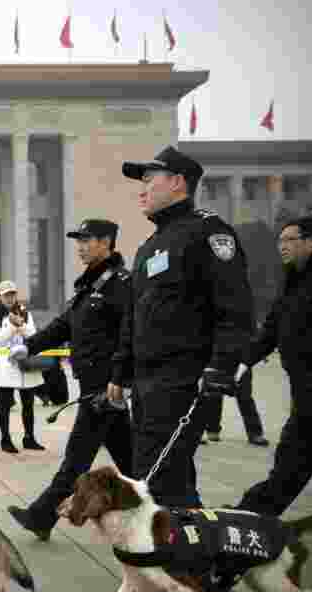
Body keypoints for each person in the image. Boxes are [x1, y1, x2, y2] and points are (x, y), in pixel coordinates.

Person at [110, 147, 254, 509]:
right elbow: (135, 315)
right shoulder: (150, 246)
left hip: (183, 380)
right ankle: (195, 539)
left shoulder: (207, 232)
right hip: (147, 384)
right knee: (170, 479)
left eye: (149, 179)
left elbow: (234, 305)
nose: (142, 189)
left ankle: (181, 543)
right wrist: (121, 372)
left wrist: (221, 366)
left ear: (177, 182)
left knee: (156, 481)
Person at [8, 219, 134, 541]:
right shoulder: (90, 285)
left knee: (75, 462)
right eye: (78, 240)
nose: (80, 247)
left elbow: (130, 334)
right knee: (132, 461)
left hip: (105, 389)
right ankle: (166, 506)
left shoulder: (121, 284)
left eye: (87, 240)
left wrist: (121, 379)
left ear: (106, 242)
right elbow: (63, 325)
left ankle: (41, 515)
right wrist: (28, 346)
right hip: (95, 387)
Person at [235, 217, 312, 516]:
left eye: (290, 239)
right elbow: (271, 331)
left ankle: (249, 518)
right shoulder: (293, 282)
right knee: (292, 465)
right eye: (280, 241)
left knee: (290, 464)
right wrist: (242, 362)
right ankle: (250, 517)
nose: (282, 246)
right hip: (307, 393)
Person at [0, 281, 45, 453]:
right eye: (6, 295)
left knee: (28, 404)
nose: (10, 298)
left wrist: (21, 324)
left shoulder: (25, 312)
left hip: (25, 361)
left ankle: (29, 438)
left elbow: (33, 334)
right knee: (4, 406)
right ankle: (5, 440)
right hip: (5, 365)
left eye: (12, 294)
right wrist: (13, 326)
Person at [198, 362, 268, 446]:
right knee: (213, 396)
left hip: (241, 361)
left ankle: (255, 434)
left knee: (245, 397)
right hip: (216, 361)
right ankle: (212, 430)